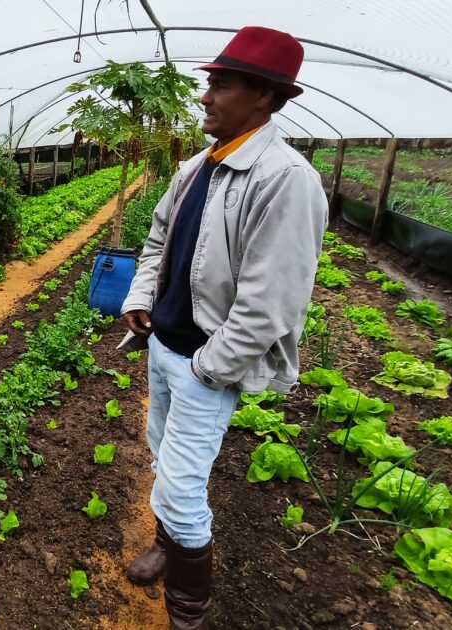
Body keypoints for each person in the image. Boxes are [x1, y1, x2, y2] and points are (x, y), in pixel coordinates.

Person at [116, 26, 327, 628]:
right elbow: (159, 240)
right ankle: (167, 545)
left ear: (262, 96)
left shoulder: (284, 179)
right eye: (209, 83)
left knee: (182, 489)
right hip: (164, 345)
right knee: (162, 453)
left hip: (206, 363)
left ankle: (191, 613)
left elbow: (272, 302)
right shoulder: (197, 166)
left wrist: (210, 368)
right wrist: (140, 299)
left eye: (221, 85)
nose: (206, 96)